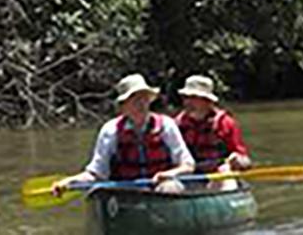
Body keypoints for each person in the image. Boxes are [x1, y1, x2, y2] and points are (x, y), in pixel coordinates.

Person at [53, 75, 196, 196]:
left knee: (170, 188)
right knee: (101, 191)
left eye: (144, 98)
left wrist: (171, 174)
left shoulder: (166, 126)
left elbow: (188, 165)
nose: (141, 104)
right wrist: (69, 182)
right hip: (126, 191)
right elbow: (96, 174)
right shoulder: (110, 131)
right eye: (134, 99)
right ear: (123, 106)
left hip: (160, 188)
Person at [175, 75, 252, 190]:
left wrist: (238, 161)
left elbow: (245, 161)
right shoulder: (176, 124)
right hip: (189, 176)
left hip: (218, 175)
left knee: (225, 173)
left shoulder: (225, 123)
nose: (188, 102)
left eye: (194, 97)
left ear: (207, 101)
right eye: (186, 97)